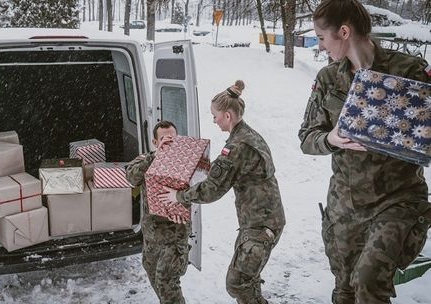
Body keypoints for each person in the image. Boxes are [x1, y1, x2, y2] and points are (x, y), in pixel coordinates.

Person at [298, 0, 431, 303]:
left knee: (369, 281)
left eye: (321, 37)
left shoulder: (408, 70)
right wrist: (331, 138)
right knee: (345, 288)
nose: (320, 46)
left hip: (397, 200)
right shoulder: (328, 79)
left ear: (343, 31)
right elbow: (307, 138)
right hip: (345, 205)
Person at [158, 80, 286, 304]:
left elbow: (211, 190)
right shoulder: (249, 135)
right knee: (248, 278)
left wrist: (178, 196)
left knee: (237, 282)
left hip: (260, 225)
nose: (214, 120)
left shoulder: (236, 148)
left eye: (215, 116)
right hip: (262, 220)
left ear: (228, 116)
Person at [126, 120, 190, 304]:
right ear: (155, 142)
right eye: (164, 138)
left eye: (173, 138)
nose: (169, 141)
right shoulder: (147, 159)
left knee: (167, 282)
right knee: (153, 274)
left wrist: (184, 202)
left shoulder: (186, 163)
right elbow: (131, 177)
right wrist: (155, 156)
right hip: (152, 235)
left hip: (174, 234)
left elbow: (201, 189)